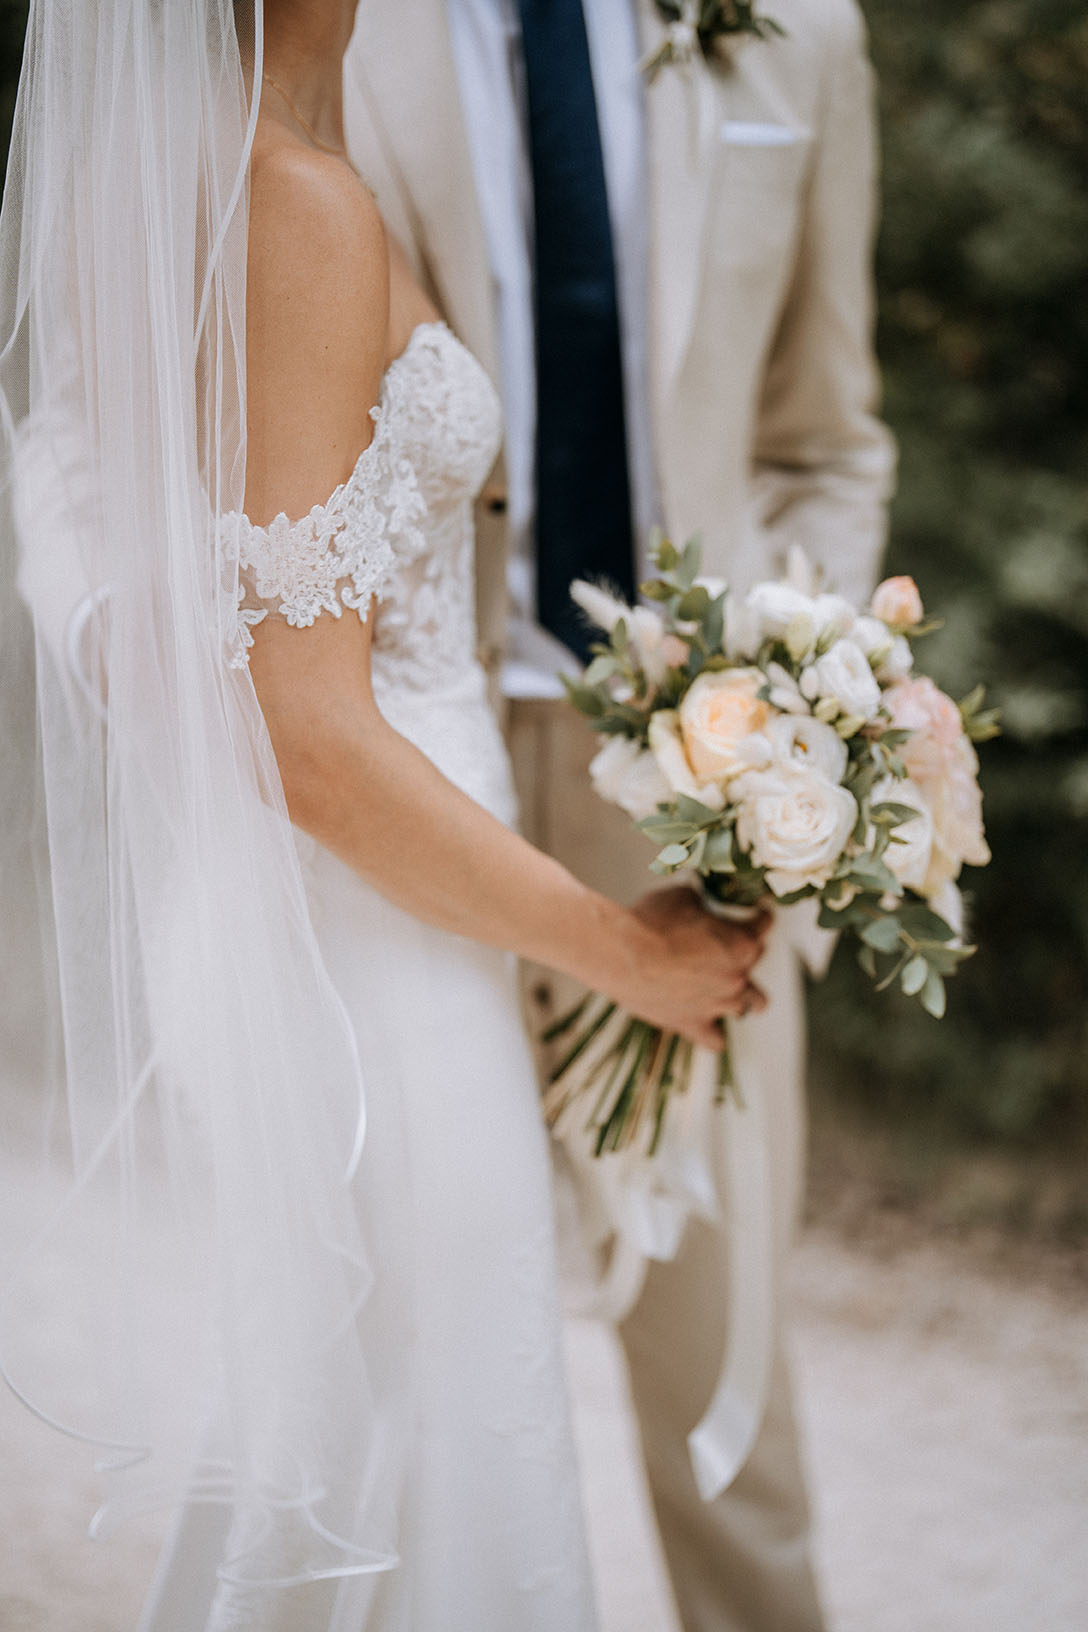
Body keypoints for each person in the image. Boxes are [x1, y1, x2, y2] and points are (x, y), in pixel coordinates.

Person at [0, 2, 771, 1629]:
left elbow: (70, 470)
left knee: (360, 1443)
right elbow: (315, 737)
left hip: (329, 908)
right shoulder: (291, 203)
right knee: (427, 1445)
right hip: (368, 940)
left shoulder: (188, 180)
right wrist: (626, 951)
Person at [342, 2, 897, 1628]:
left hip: (701, 770)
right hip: (401, 750)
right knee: (392, 1309)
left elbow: (826, 441)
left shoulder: (798, 33)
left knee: (719, 1336)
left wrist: (797, 717)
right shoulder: (322, 28)